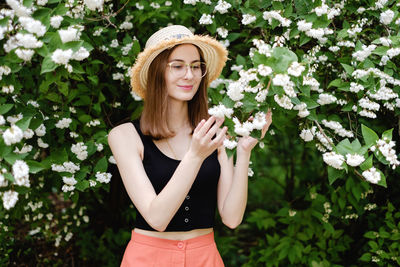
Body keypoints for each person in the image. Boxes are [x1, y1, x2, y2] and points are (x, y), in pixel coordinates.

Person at [108, 25, 272, 267]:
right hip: (148, 258)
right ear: (157, 72)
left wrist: (243, 150)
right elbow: (157, 217)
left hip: (205, 256)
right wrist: (195, 156)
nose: (189, 75)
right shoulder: (125, 136)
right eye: (177, 66)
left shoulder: (212, 132)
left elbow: (232, 218)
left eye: (196, 66)